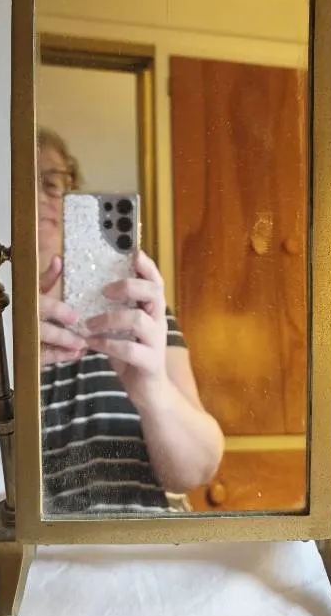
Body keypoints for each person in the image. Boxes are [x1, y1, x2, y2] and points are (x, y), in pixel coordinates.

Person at [37, 127, 224, 514]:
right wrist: (11, 364)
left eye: (51, 183)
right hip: (33, 541)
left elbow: (197, 470)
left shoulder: (140, 315)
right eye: (20, 184)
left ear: (73, 197)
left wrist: (153, 391)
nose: (38, 197)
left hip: (147, 537)